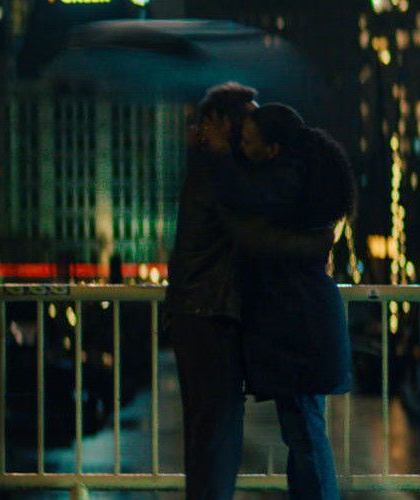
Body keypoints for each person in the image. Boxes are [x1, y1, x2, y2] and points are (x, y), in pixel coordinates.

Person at [163, 83, 332, 500]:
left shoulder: (216, 167)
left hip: (205, 312)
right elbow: (253, 234)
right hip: (208, 313)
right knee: (216, 435)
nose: (248, 133)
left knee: (212, 434)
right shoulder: (218, 173)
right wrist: (316, 244)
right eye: (243, 123)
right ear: (219, 122)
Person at [204, 102, 356, 500]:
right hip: (302, 326)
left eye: (247, 141)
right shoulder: (296, 177)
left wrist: (219, 153)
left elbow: (244, 207)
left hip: (300, 330)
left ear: (272, 149)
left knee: (305, 433)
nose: (241, 146)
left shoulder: (284, 182)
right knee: (302, 431)